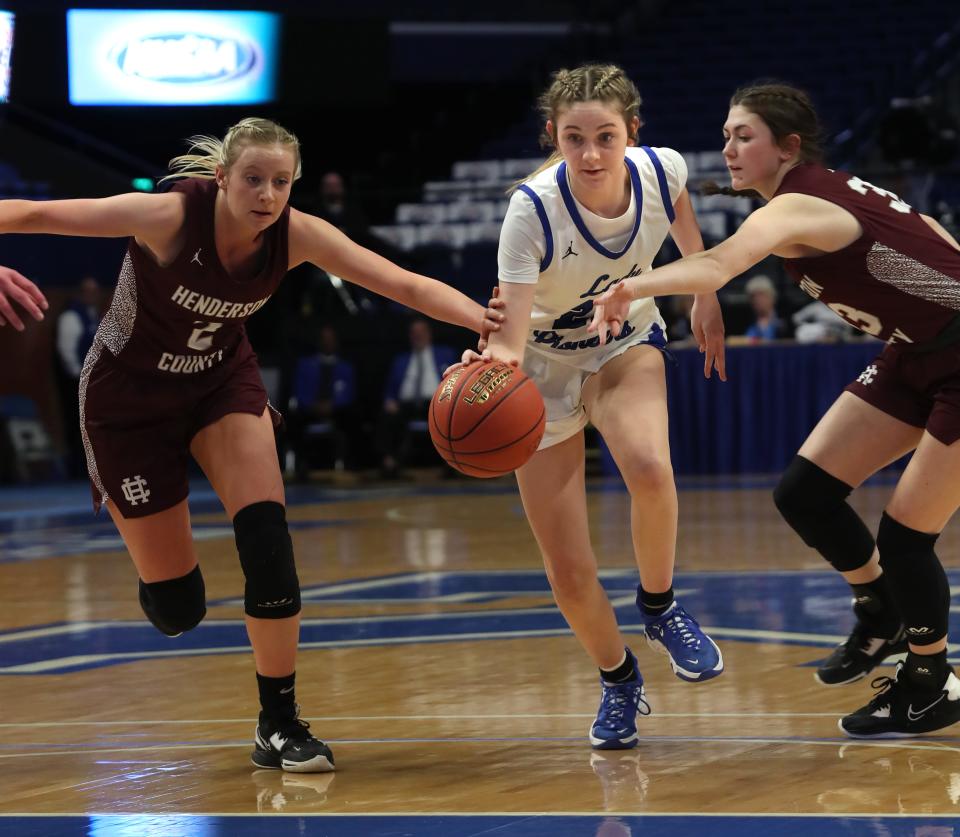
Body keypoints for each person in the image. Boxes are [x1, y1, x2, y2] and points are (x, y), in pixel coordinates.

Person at [0, 117, 503, 772]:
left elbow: (401, 283)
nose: (267, 195)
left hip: (218, 385)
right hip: (127, 404)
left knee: (268, 542)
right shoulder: (167, 216)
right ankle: (162, 577)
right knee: (179, 608)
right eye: (254, 179)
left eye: (281, 182)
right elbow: (33, 211)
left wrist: (487, 324)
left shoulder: (295, 236)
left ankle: (279, 721)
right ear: (222, 178)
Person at [588, 81, 960, 737]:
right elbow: (928, 230)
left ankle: (931, 683)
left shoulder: (794, 207)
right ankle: (880, 610)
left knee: (905, 538)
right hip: (915, 351)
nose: (728, 147)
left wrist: (633, 286)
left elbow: (720, 264)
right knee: (806, 491)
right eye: (727, 134)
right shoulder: (828, 190)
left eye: (744, 136)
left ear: (787, 147)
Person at [458, 64, 728, 750]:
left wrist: (704, 293)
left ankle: (660, 605)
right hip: (541, 365)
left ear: (633, 133)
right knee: (569, 570)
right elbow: (513, 340)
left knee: (648, 465)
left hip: (621, 341)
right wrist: (489, 371)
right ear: (553, 135)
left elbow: (686, 227)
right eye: (573, 137)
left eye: (605, 136)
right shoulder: (532, 208)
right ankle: (617, 676)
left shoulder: (663, 170)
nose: (590, 154)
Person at [377, 318, 457, 477]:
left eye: (422, 332)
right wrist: (389, 400)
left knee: (454, 417)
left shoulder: (445, 353)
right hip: (406, 406)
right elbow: (390, 389)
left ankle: (454, 463)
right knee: (386, 417)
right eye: (415, 333)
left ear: (429, 334)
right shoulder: (400, 360)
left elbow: (457, 381)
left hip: (437, 404)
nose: (418, 336)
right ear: (410, 336)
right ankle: (390, 463)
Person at [286, 323, 356, 477]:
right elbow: (298, 390)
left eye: (330, 339)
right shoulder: (305, 365)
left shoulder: (345, 368)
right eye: (324, 339)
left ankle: (346, 467)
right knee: (293, 420)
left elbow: (349, 393)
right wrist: (313, 405)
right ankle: (300, 466)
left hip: (336, 410)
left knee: (351, 418)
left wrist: (332, 405)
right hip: (310, 409)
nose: (327, 342)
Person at [55, 275, 104, 477]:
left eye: (94, 291)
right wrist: (80, 377)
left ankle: (98, 471)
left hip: (98, 383)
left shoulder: (96, 315)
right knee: (78, 428)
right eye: (87, 291)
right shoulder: (71, 317)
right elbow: (66, 350)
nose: (91, 295)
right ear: (80, 293)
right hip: (77, 382)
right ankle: (77, 472)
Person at [742, 274, 786, 341]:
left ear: (772, 297)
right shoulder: (745, 325)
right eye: (753, 297)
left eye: (761, 295)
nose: (757, 300)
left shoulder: (786, 322)